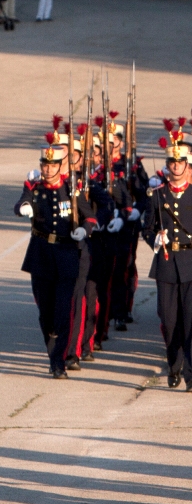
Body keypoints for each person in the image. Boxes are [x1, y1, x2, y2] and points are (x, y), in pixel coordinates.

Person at [144, 136, 192, 391]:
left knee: (191, 321)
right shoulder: (157, 195)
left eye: (180, 162)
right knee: (169, 320)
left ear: (187, 165)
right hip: (166, 264)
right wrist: (155, 238)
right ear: (167, 166)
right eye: (171, 162)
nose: (176, 166)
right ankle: (174, 365)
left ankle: (191, 376)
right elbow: (146, 227)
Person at [16, 139, 97, 378]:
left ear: (62, 166)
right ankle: (53, 351)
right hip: (41, 255)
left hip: (66, 255)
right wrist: (24, 207)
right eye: (45, 164)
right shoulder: (34, 186)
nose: (48, 169)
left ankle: (58, 361)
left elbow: (90, 216)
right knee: (46, 315)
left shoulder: (72, 189)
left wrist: (84, 229)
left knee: (64, 312)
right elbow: (22, 201)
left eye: (53, 165)